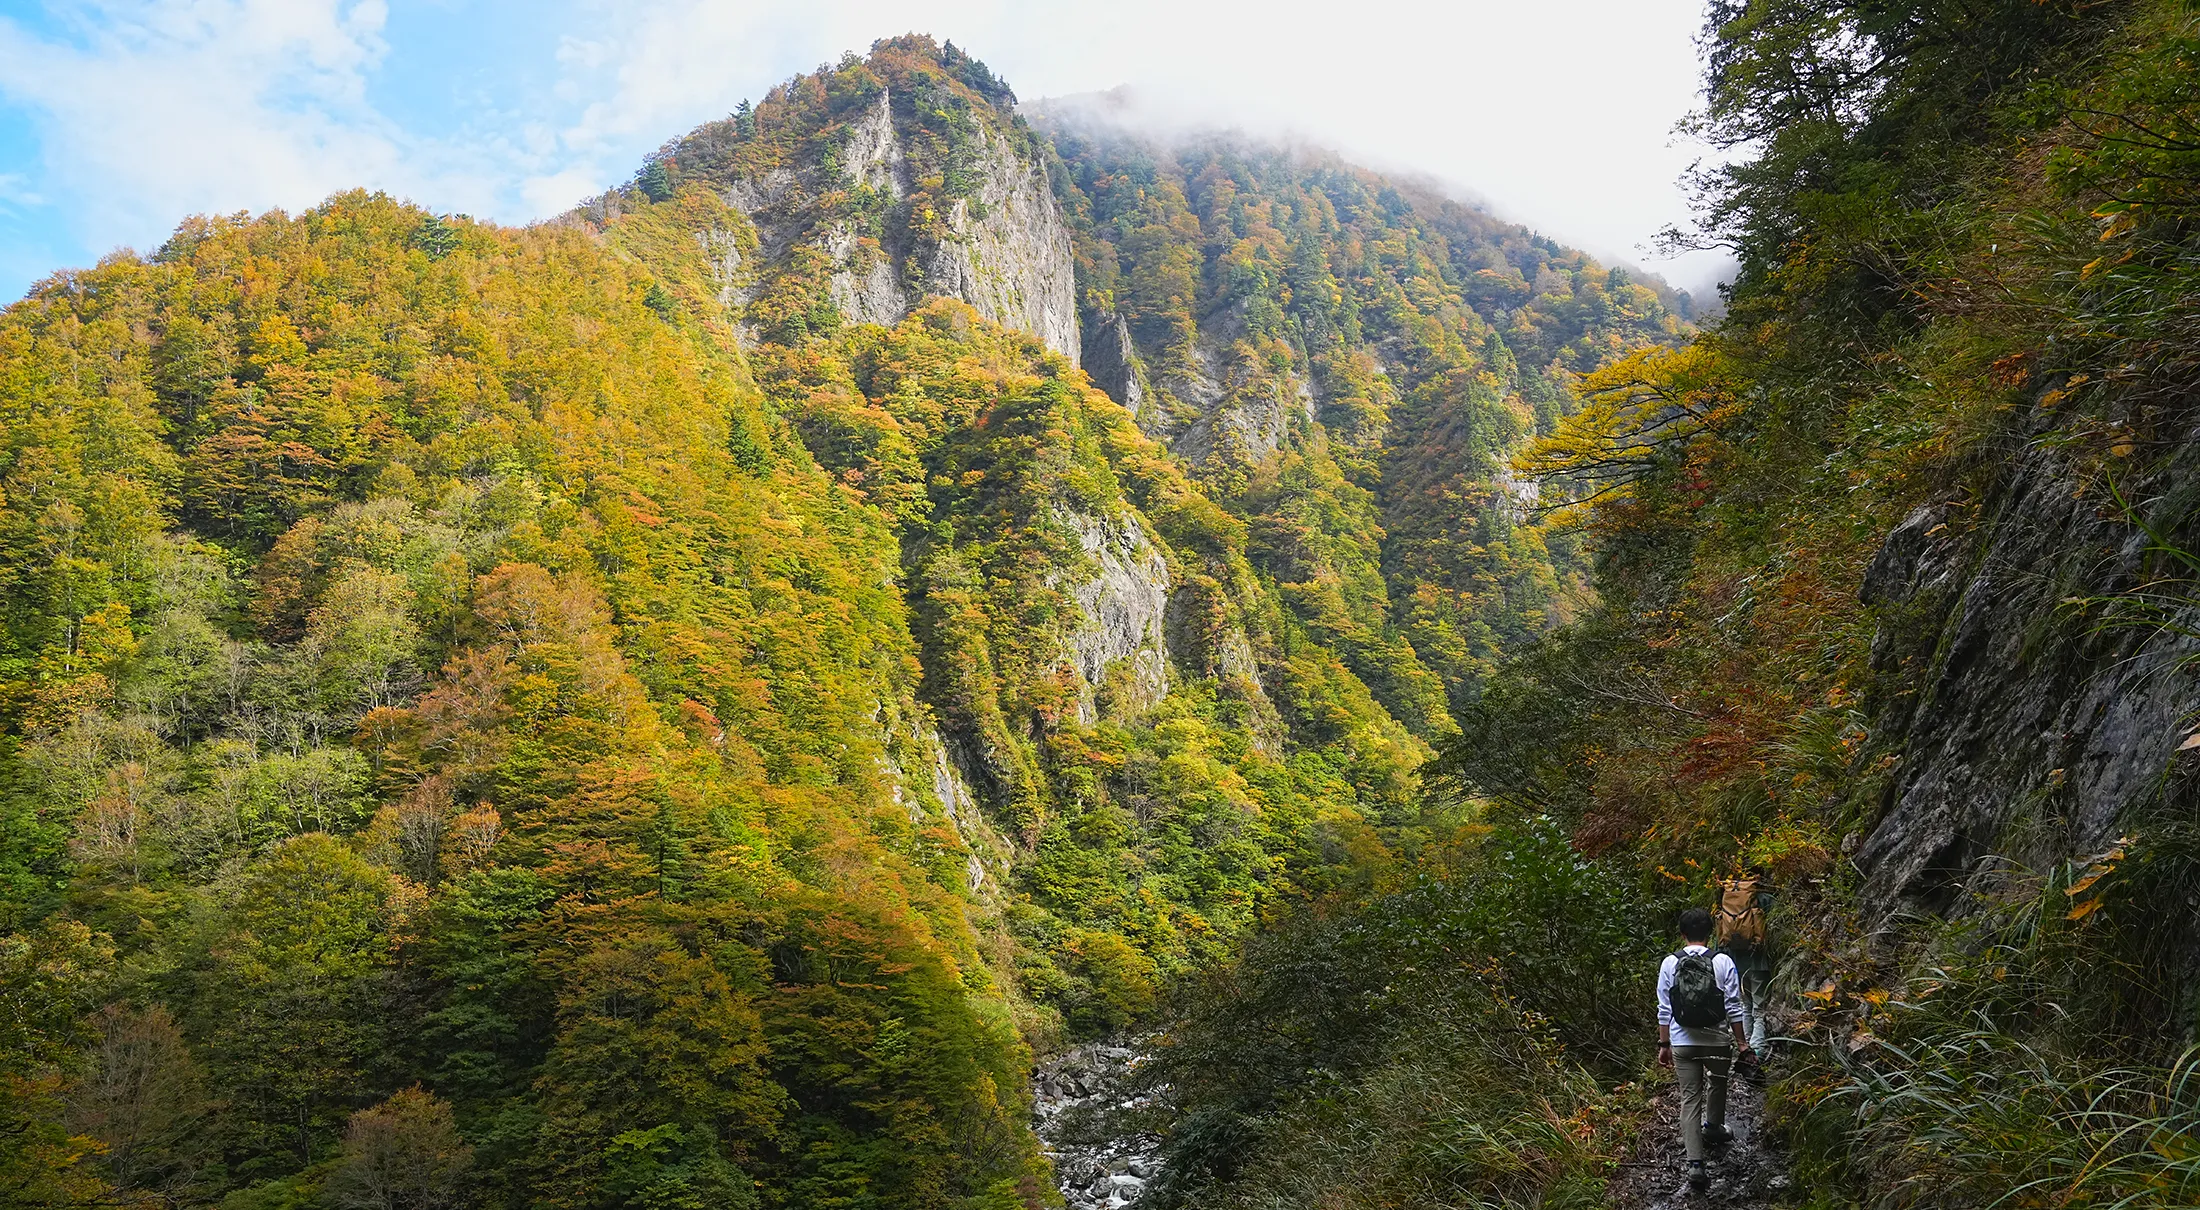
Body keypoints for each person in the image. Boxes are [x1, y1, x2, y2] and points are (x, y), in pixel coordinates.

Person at [1657, 906, 1755, 1190]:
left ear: (1682, 934)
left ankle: (1695, 1164)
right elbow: (1734, 1007)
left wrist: (1664, 1045)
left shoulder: (1669, 963)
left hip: (1682, 1043)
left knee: (1689, 1100)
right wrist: (1742, 1043)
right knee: (1718, 1084)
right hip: (1717, 1042)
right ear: (1710, 933)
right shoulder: (1723, 961)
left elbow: (1664, 1009)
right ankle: (1713, 1127)